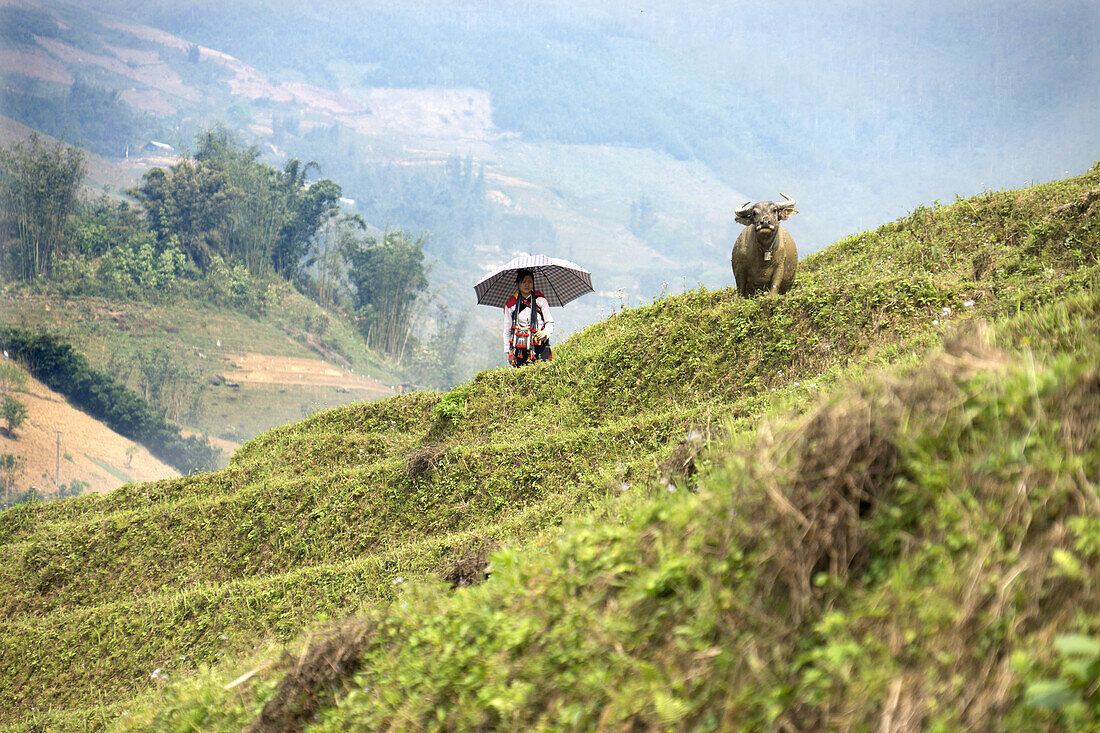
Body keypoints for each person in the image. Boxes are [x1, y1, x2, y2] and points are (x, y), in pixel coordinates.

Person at [504, 269, 554, 367]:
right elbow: (507, 330)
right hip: (520, 348)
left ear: (533, 283)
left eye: (530, 282)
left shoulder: (540, 301)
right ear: (518, 284)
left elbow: (550, 322)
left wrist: (545, 333)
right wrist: (510, 353)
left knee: (544, 375)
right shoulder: (511, 305)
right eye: (523, 282)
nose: (527, 285)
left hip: (540, 344)